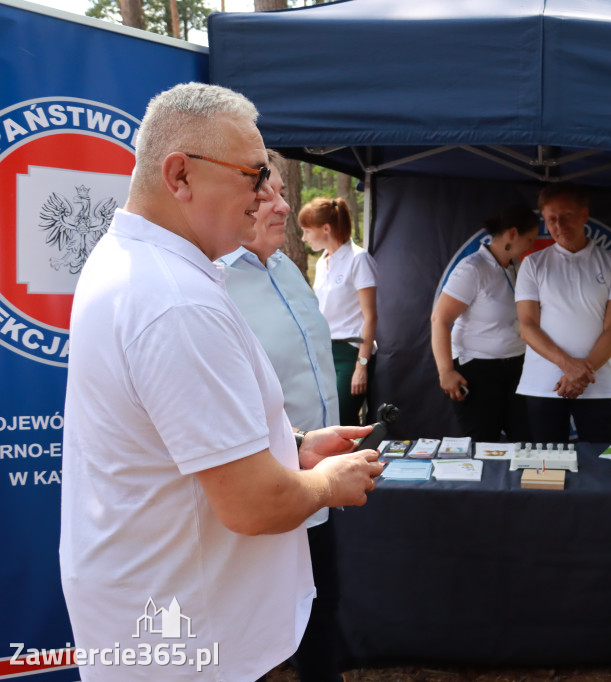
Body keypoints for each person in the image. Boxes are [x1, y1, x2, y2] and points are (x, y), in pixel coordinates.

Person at [59, 83, 383, 682]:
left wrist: (294, 445)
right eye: (255, 175)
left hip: (163, 612)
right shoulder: (175, 300)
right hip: (185, 633)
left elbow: (177, 432)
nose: (265, 197)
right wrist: (324, 483)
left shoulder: (143, 266)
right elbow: (253, 503)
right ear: (180, 175)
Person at [220, 151, 345, 682]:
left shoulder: (291, 267)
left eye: (280, 193)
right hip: (260, 492)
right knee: (260, 640)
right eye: (266, 196)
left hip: (316, 486)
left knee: (322, 615)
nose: (283, 205)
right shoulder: (211, 282)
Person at [515, 183, 611, 442]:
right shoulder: (533, 264)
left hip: (596, 386)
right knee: (544, 468)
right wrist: (569, 367)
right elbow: (527, 326)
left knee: (600, 466)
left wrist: (580, 374)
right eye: (551, 219)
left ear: (584, 215)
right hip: (542, 385)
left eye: (566, 215)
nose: (559, 225)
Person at [430, 204, 539, 441]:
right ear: (512, 234)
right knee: (482, 444)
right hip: (477, 371)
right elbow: (440, 319)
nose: (532, 246)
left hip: (517, 368)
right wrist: (446, 371)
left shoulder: (518, 268)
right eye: (529, 239)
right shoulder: (473, 268)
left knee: (524, 441)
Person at [299, 196, 378, 426]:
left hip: (351, 352)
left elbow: (370, 317)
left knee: (342, 421)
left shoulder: (358, 259)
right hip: (325, 351)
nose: (303, 238)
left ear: (326, 228)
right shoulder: (323, 261)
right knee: (324, 422)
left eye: (306, 231)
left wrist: (361, 366)